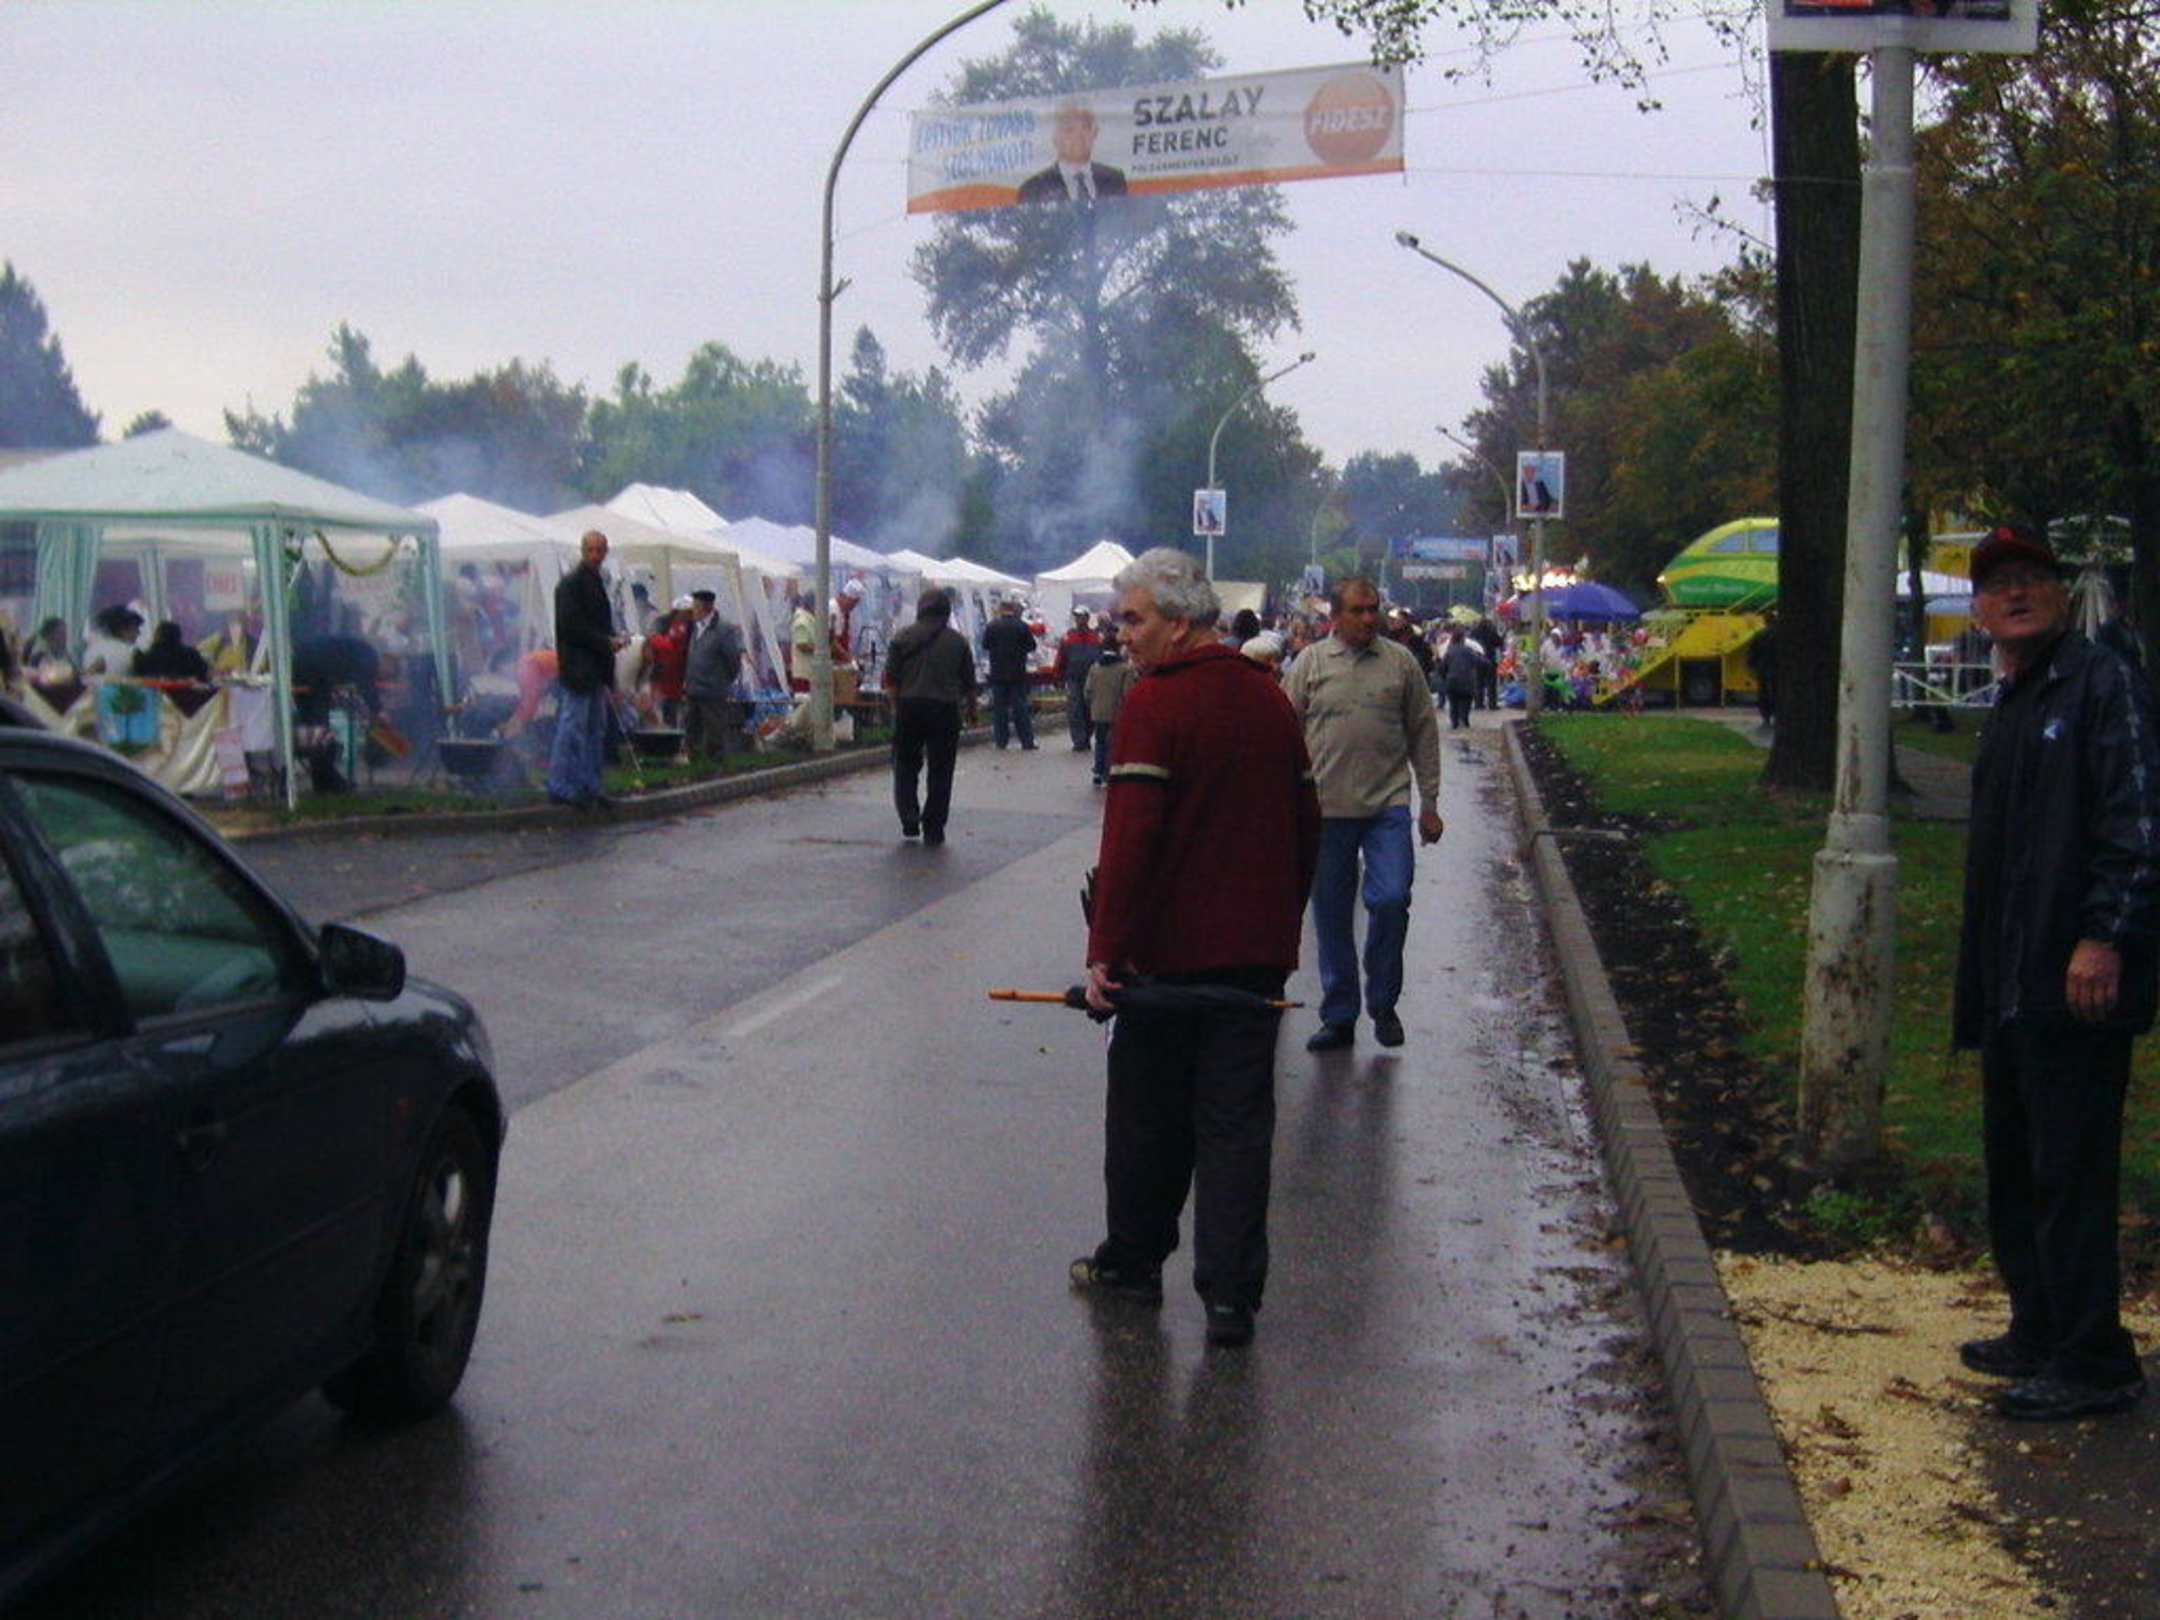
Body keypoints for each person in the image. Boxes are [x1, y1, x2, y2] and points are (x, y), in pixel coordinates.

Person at [1070, 547, 1320, 1349]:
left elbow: (1130, 839)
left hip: (1163, 963)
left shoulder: (1155, 703)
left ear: (1179, 623)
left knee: (1147, 1123)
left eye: (1134, 620)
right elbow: (1306, 825)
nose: (1123, 634)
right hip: (1252, 964)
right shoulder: (1270, 700)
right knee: (1236, 1131)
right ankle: (1231, 1299)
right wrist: (1278, 922)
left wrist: (1105, 950)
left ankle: (1134, 1264)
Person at [1953, 526, 2159, 1423]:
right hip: (2012, 982)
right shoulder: (2015, 698)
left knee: (2071, 1169)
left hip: (2072, 980)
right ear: (1979, 610)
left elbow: (2137, 822)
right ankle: (2037, 1326)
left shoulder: (2102, 683)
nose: (2016, 593)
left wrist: (2105, 937)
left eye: (2032, 578)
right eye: (1999, 583)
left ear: (2062, 594)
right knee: (2018, 1160)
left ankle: (2094, 1357)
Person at [1284, 576, 1444, 1051]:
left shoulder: (1400, 663)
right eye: (1358, 610)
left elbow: (1423, 732)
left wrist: (1430, 803)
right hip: (1326, 810)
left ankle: (1383, 1001)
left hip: (1386, 806)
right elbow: (1285, 732)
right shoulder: (1311, 663)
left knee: (1392, 899)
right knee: (1332, 916)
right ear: (1335, 616)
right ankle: (1339, 1015)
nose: (1369, 618)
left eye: (1374, 608)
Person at [882, 586, 977, 846]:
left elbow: (891, 680)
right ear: (946, 612)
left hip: (909, 707)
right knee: (941, 770)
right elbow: (969, 684)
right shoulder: (958, 642)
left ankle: (909, 818)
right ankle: (934, 827)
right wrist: (972, 712)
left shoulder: (902, 638)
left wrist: (895, 708)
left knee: (905, 765)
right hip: (944, 710)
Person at [548, 529, 627, 810]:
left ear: (605, 552)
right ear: (583, 552)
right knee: (573, 728)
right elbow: (571, 627)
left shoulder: (595, 582)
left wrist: (612, 639)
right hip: (579, 667)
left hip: (595, 668)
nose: (595, 555)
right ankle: (562, 785)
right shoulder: (571, 584)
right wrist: (606, 641)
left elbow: (593, 625)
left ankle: (589, 785)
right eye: (590, 550)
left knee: (595, 729)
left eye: (599, 550)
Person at [1017, 101, 1129, 204]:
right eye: (1069, 129)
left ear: (1095, 133)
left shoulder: (1114, 179)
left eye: (1085, 127)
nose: (1078, 136)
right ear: (1055, 137)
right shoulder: (1034, 189)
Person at [682, 589, 745, 762]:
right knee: (691, 728)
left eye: (695, 607)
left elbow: (733, 659)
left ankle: (716, 763)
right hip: (693, 688)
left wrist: (723, 680)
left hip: (713, 690)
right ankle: (694, 760)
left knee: (714, 731)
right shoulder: (695, 628)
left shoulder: (723, 630)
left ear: (706, 608)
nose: (693, 611)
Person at [980, 596, 1038, 751]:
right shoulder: (1021, 626)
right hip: (1017, 673)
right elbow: (1031, 646)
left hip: (998, 673)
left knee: (1000, 710)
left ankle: (1001, 741)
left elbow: (985, 645)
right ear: (1013, 609)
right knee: (1021, 709)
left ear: (1001, 610)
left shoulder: (992, 626)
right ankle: (1027, 741)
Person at [1083, 624, 1136, 785]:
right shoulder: (1125, 669)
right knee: (1113, 743)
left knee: (1100, 742)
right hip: (1117, 713)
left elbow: (1087, 691)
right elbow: (1128, 693)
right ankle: (1108, 772)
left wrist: (1093, 705)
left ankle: (1097, 772)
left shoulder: (1094, 668)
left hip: (1098, 712)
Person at [1052, 607, 1102, 752]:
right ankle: (1079, 741)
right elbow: (1061, 658)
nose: (1079, 619)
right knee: (1075, 709)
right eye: (1077, 617)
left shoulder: (1097, 638)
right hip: (1073, 678)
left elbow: (1102, 657)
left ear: (1087, 618)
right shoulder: (1068, 637)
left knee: (1089, 710)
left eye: (1081, 616)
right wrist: (1058, 676)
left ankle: (1086, 737)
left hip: (1092, 679)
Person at [132, 620, 210, 683]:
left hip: (155, 695)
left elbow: (137, 681)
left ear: (157, 636)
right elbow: (204, 677)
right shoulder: (192, 655)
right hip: (188, 695)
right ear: (179, 636)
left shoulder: (145, 658)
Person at [1439, 628, 1483, 731]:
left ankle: (1454, 723)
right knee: (1466, 702)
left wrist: (1446, 677)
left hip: (1452, 682)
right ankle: (1464, 720)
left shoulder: (1449, 652)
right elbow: (1480, 662)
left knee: (1453, 704)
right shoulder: (1469, 651)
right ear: (1463, 639)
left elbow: (1442, 668)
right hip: (1467, 681)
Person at [1471, 616, 1503, 710]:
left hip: (1478, 659)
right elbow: (1499, 643)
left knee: (1478, 682)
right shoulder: (1492, 631)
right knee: (1491, 683)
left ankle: (1478, 703)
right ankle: (1492, 704)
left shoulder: (1474, 632)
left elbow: (1470, 644)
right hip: (1490, 659)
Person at [789, 592, 818, 693]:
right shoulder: (802, 621)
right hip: (802, 673)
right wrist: (820, 649)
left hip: (810, 672)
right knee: (804, 701)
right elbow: (801, 644)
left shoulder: (810, 620)